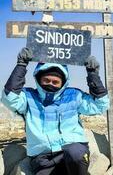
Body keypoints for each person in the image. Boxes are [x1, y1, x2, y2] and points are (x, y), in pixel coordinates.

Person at [1, 47, 109, 175]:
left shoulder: (74, 95)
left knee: (75, 153)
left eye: (55, 81)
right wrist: (21, 65)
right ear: (39, 79)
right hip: (42, 157)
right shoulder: (29, 97)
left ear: (62, 82)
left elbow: (100, 105)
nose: (50, 84)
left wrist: (93, 75)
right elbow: (9, 97)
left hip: (72, 150)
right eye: (46, 80)